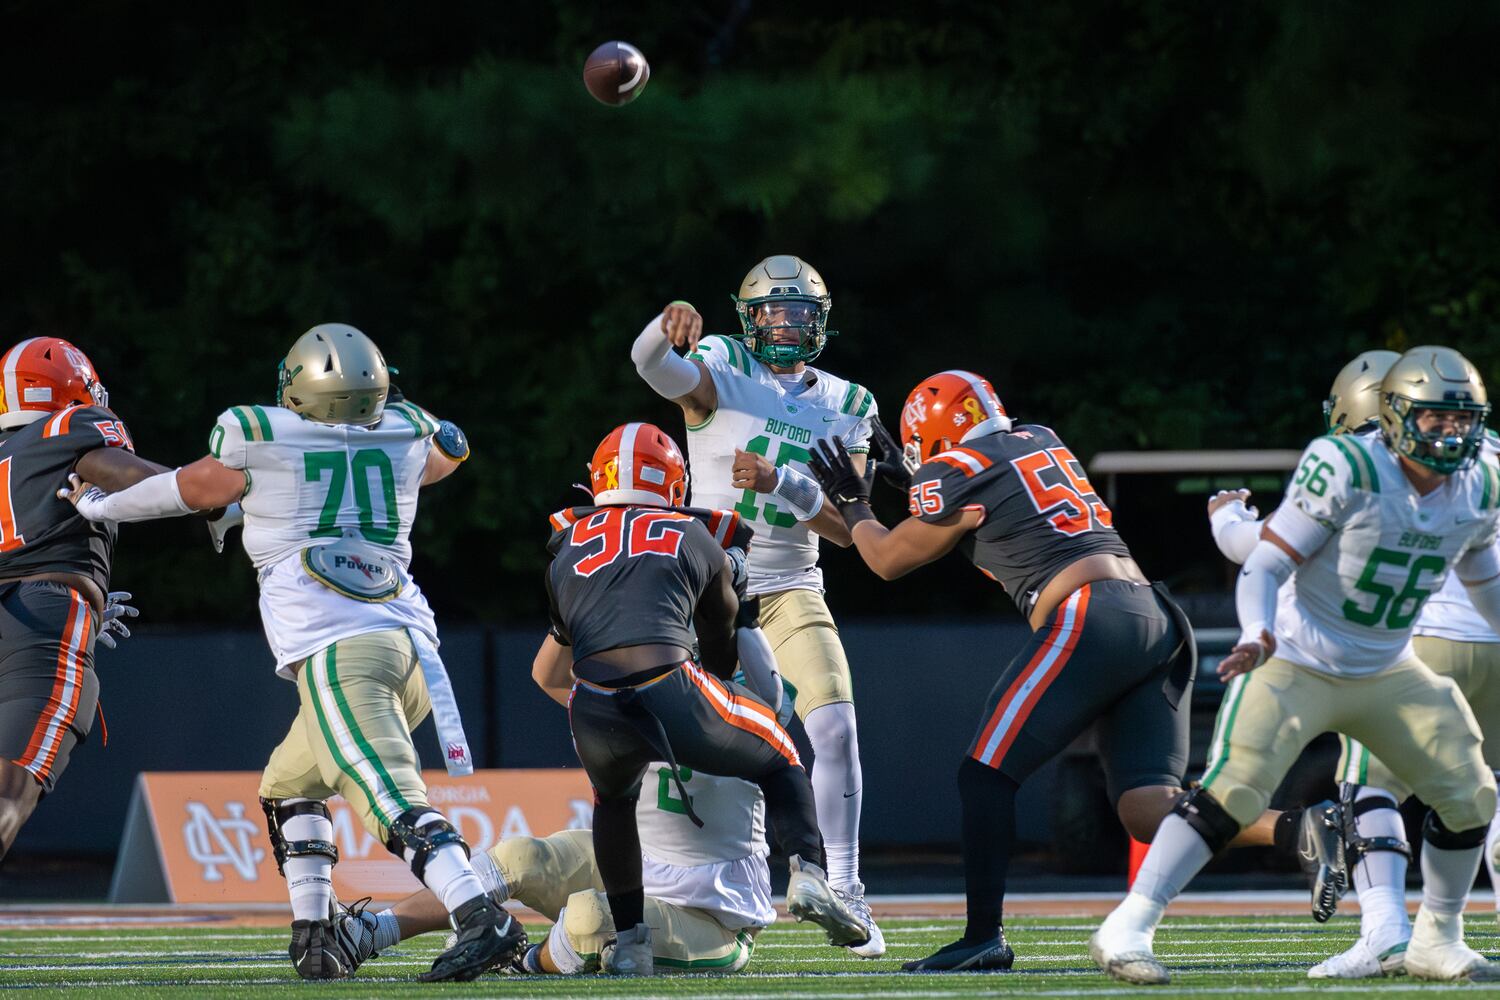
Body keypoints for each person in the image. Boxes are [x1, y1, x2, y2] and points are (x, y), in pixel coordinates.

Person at [60, 324, 523, 982]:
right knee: (287, 786)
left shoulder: (263, 436)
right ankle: (318, 933)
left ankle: (481, 915)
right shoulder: (403, 435)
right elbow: (449, 447)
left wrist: (103, 505)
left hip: (341, 650)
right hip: (412, 649)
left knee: (390, 798)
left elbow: (190, 488)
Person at [1093, 345, 1500, 984]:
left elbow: (1485, 579)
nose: (1451, 435)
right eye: (1434, 420)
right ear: (1394, 416)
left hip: (1390, 667)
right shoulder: (1346, 466)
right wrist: (1257, 632)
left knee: (1471, 794)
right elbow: (1265, 562)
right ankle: (1129, 925)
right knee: (1232, 794)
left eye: (1462, 421)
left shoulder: (1478, 481)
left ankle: (1435, 938)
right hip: (1300, 658)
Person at [805, 369, 1195, 972]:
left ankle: (983, 935)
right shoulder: (1041, 439)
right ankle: (1299, 827)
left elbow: (884, 559)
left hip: (1089, 616)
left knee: (984, 777)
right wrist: (915, 480)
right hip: (1157, 617)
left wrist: (855, 502)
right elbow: (999, 503)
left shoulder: (951, 472)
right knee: (1148, 805)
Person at [541, 420, 868, 976]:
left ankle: (631, 944)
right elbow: (720, 645)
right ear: (673, 483)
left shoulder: (565, 541)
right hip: (668, 683)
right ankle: (810, 872)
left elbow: (567, 645)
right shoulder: (693, 534)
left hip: (592, 698)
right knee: (780, 753)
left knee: (613, 802)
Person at [630, 255, 887, 955]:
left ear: (821, 322)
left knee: (833, 728)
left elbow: (854, 526)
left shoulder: (848, 402)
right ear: (749, 319)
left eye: (801, 313)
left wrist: (789, 486)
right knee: (667, 741)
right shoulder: (723, 364)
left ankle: (848, 889)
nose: (787, 324)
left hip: (791, 583)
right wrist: (664, 327)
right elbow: (655, 367)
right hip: (708, 587)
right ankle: (654, 880)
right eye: (774, 311)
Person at [337, 765, 773, 976]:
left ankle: (516, 959)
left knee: (588, 922)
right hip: (635, 862)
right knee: (519, 857)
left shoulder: (740, 692)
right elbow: (550, 673)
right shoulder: (642, 677)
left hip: (713, 917)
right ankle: (370, 932)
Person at [0, 337, 153, 859]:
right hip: (39, 618)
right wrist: (203, 494)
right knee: (10, 787)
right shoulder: (72, 425)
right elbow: (128, 477)